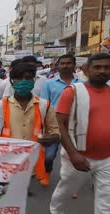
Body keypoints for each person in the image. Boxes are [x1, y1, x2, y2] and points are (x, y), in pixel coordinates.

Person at [50, 53, 110, 214]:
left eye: (106, 67)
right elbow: (59, 124)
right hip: (78, 156)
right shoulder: (73, 92)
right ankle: (56, 211)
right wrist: (73, 154)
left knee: (106, 201)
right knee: (65, 192)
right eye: (97, 67)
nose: (102, 71)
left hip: (106, 158)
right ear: (86, 69)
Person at [0, 63, 60, 185]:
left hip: (33, 161)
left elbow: (55, 131)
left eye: (28, 78)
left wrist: (52, 137)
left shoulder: (44, 105)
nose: (23, 81)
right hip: (7, 161)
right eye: (18, 78)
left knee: (24, 190)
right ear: (11, 82)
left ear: (34, 81)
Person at [40, 54, 82, 186]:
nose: (65, 66)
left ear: (74, 65)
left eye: (68, 63)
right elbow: (44, 104)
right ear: (58, 66)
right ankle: (47, 173)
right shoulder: (49, 83)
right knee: (49, 156)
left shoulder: (81, 84)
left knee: (72, 156)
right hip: (53, 125)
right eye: (62, 63)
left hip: (74, 125)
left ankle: (71, 183)